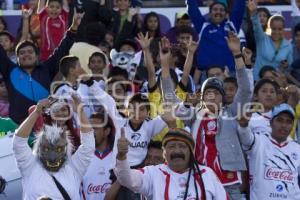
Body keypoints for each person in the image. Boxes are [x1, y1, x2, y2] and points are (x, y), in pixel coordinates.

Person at [161, 31, 253, 199]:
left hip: (229, 183)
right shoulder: (194, 115)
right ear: (201, 98)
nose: (212, 95)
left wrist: (237, 55)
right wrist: (165, 64)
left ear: (223, 98)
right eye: (208, 92)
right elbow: (169, 97)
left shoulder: (232, 112)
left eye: (216, 93)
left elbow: (246, 90)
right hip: (200, 180)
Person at [0, 12, 83, 124]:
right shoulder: (9, 70)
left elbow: (62, 49)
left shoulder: (46, 68)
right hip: (17, 128)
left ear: (37, 56)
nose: (26, 55)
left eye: (30, 52)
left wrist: (74, 27)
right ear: (17, 57)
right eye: (22, 53)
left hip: (45, 126)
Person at [12, 95, 95, 199]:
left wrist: (81, 111)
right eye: (47, 148)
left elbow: (88, 146)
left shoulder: (74, 168)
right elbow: (18, 142)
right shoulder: (29, 166)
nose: (53, 154)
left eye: (59, 149)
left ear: (66, 150)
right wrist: (37, 112)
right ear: (39, 149)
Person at [114, 128, 228, 199]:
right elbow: (126, 178)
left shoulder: (207, 173)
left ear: (191, 152)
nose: (177, 151)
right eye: (172, 146)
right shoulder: (152, 173)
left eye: (182, 146)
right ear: (164, 153)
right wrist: (122, 156)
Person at [238, 103, 300, 200]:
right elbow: (245, 136)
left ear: (292, 126)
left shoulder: (297, 148)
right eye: (280, 120)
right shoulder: (258, 141)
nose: (284, 125)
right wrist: (243, 125)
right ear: (271, 123)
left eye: (288, 122)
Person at [186, 0, 246, 76]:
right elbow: (192, 8)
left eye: (222, 10)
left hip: (230, 73)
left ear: (226, 13)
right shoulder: (202, 26)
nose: (218, 12)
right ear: (210, 13)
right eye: (215, 9)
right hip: (208, 73)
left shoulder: (232, 25)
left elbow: (239, 7)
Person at [248, 0, 293, 81]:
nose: (276, 32)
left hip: (276, 84)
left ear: (284, 29)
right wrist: (254, 12)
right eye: (274, 29)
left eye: (280, 29)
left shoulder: (288, 46)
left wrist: (287, 66)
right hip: (258, 80)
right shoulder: (262, 39)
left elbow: (290, 68)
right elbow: (256, 25)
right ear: (269, 28)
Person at [81, 112, 115, 200]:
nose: (91, 132)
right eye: (89, 128)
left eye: (95, 128)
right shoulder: (80, 157)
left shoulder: (118, 157)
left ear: (107, 131)